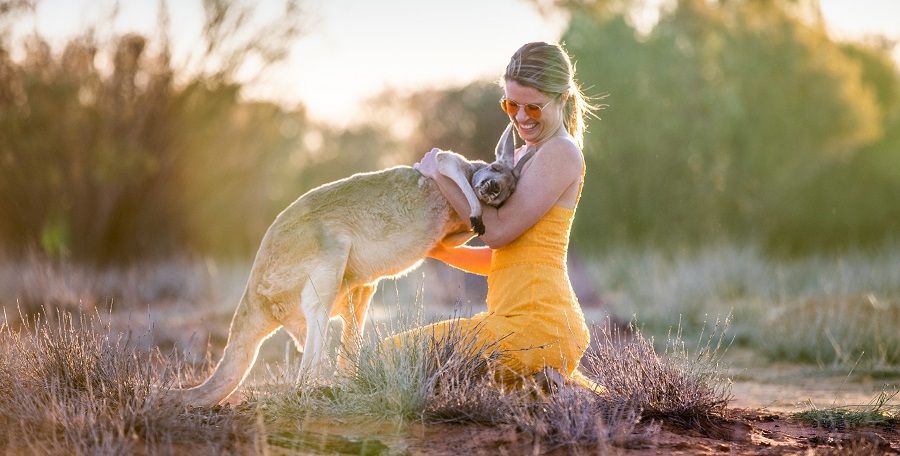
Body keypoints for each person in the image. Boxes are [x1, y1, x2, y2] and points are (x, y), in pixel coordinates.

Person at [394, 41, 600, 391]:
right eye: (511, 104)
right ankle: (542, 388)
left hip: (539, 325)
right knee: (401, 357)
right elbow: (502, 257)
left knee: (393, 357)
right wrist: (438, 250)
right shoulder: (523, 155)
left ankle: (545, 383)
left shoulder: (561, 153)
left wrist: (442, 173)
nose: (520, 117)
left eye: (533, 107)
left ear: (563, 99)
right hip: (513, 321)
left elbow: (498, 232)